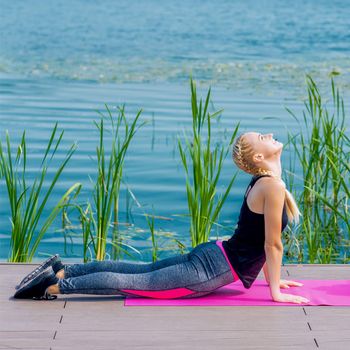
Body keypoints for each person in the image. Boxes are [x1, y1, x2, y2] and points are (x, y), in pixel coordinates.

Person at [13, 132, 310, 304]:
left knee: (140, 270)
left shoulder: (266, 182)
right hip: (211, 268)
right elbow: (271, 245)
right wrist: (275, 293)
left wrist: (274, 279)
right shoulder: (272, 185)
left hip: (214, 255)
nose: (269, 135)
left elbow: (259, 239)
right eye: (262, 137)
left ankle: (63, 270)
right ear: (258, 158)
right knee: (135, 282)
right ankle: (51, 286)